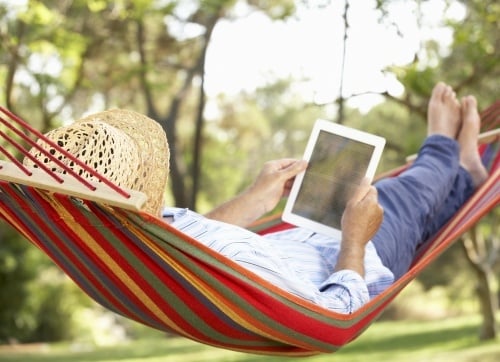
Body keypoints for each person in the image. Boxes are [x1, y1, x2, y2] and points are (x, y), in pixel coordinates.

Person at [25, 82, 488, 314]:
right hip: (358, 256)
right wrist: (353, 238)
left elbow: (201, 244)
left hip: (306, 235)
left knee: (421, 215)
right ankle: (444, 147)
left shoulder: (144, 243)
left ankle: (466, 173)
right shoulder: (150, 249)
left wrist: (255, 198)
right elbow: (339, 310)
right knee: (401, 193)